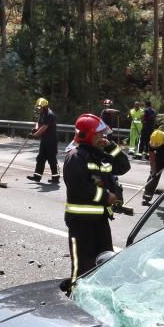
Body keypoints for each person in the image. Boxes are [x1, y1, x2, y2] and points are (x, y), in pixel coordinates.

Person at [63, 113, 131, 282]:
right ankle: (76, 302)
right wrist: (106, 196)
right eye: (99, 134)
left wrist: (111, 146)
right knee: (83, 269)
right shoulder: (75, 157)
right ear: (87, 135)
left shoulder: (99, 155)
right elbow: (79, 188)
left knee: (104, 263)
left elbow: (124, 166)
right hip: (81, 223)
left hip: (100, 220)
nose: (103, 137)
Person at [28, 97, 59, 183]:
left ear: (44, 107)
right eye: (37, 107)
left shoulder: (49, 115)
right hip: (45, 140)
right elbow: (39, 123)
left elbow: (44, 127)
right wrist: (35, 129)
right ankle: (37, 176)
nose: (38, 109)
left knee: (51, 159)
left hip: (51, 141)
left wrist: (35, 135)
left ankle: (55, 178)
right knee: (40, 158)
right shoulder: (42, 113)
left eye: (39, 107)